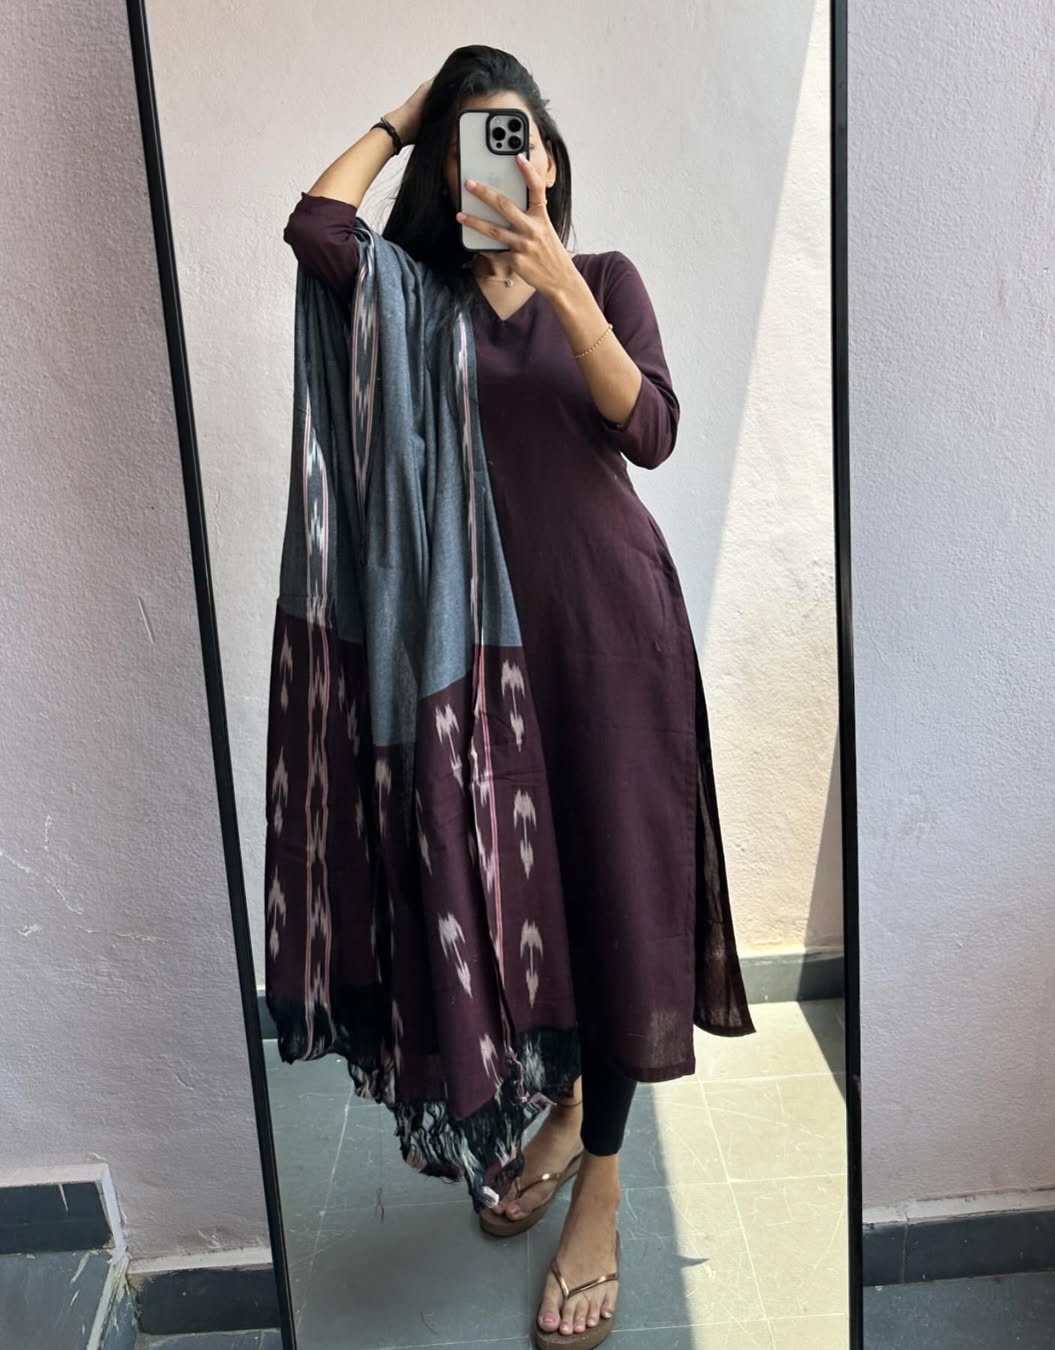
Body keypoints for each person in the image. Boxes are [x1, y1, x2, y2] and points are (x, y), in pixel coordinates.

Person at [282, 44, 754, 1347]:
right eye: (473, 142)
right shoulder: (416, 299)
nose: (504, 159)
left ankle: (601, 1179)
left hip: (609, 640)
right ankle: (562, 1104)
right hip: (474, 670)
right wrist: (404, 112)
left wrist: (559, 280)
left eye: (518, 135)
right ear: (449, 172)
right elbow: (315, 228)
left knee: (610, 898)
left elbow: (648, 428)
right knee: (512, 896)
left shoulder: (605, 278)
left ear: (549, 157)